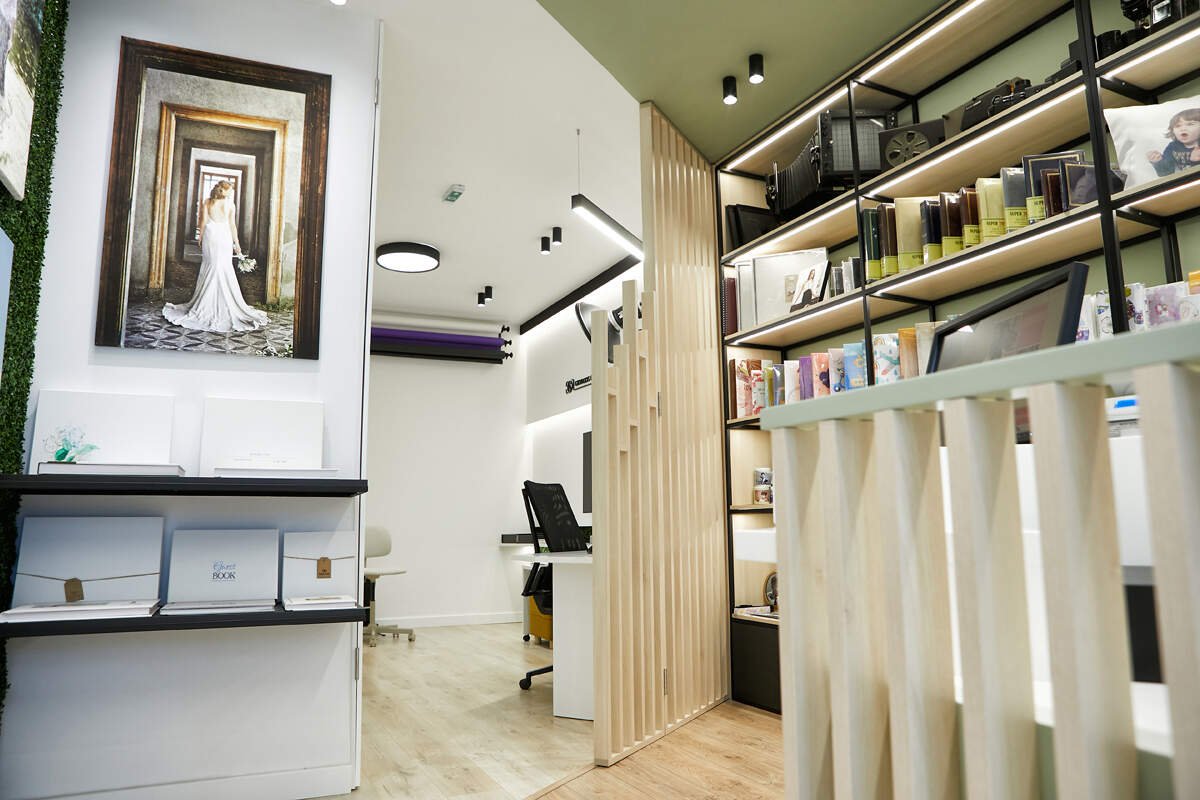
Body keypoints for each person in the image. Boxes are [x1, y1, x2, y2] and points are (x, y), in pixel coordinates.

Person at [163, 181, 268, 333]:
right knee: (221, 267)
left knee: (212, 266)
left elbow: (204, 222)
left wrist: (200, 236)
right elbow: (232, 226)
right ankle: (218, 303)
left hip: (211, 236)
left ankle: (207, 303)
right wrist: (236, 243)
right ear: (223, 191)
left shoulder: (208, 202)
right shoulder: (230, 205)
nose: (231, 193)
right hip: (223, 237)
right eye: (230, 190)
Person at [1147, 108, 1200, 177]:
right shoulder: (1173, 147)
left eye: (1190, 124)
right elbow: (1166, 173)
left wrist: (1196, 162)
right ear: (1173, 131)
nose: (1183, 128)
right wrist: (1158, 162)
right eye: (1178, 126)